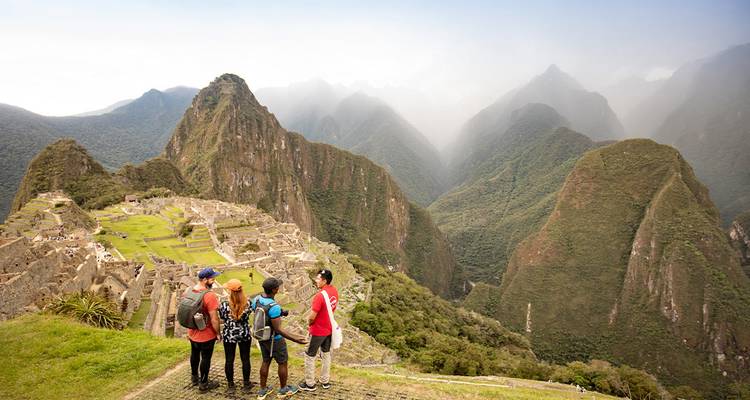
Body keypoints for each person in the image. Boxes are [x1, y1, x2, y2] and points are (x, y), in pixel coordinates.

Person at [252, 277, 308, 399]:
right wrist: (296, 339)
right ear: (274, 290)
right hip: (275, 340)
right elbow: (279, 329)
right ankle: (283, 389)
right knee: (282, 363)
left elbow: (262, 315)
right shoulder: (274, 306)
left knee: (266, 361)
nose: (278, 288)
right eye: (277, 287)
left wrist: (281, 312)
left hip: (262, 337)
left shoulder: (256, 300)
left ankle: (262, 390)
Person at [298, 269, 339, 391]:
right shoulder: (334, 291)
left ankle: (310, 383)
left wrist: (309, 323)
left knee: (310, 355)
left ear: (324, 281)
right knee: (326, 354)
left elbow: (312, 316)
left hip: (318, 331)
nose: (316, 280)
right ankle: (325, 381)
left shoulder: (319, 296)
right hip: (329, 329)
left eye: (318, 279)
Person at [187, 267, 221, 391]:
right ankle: (204, 383)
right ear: (205, 279)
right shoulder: (209, 295)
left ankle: (194, 377)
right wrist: (218, 333)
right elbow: (214, 319)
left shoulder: (190, 291)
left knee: (194, 355)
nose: (214, 280)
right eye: (212, 279)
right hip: (206, 334)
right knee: (205, 358)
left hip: (192, 332)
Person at [219, 279, 253, 393]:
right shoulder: (248, 303)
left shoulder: (224, 305)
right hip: (244, 334)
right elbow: (248, 315)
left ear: (230, 291)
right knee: (245, 359)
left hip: (229, 334)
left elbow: (223, 318)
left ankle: (231, 385)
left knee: (229, 360)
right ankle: (246, 384)